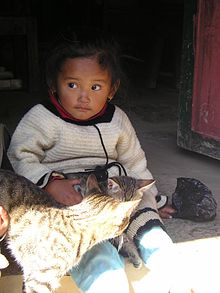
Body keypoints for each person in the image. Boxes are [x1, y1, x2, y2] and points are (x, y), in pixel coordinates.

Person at [5, 33, 176, 292]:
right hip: (72, 206)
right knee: (95, 255)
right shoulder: (42, 118)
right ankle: (103, 279)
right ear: (54, 85)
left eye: (95, 87)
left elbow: (135, 163)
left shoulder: (117, 120)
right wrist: (50, 182)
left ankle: (173, 276)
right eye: (72, 85)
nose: (84, 97)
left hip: (117, 197)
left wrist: (150, 198)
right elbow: (21, 155)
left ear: (112, 89)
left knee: (153, 236)